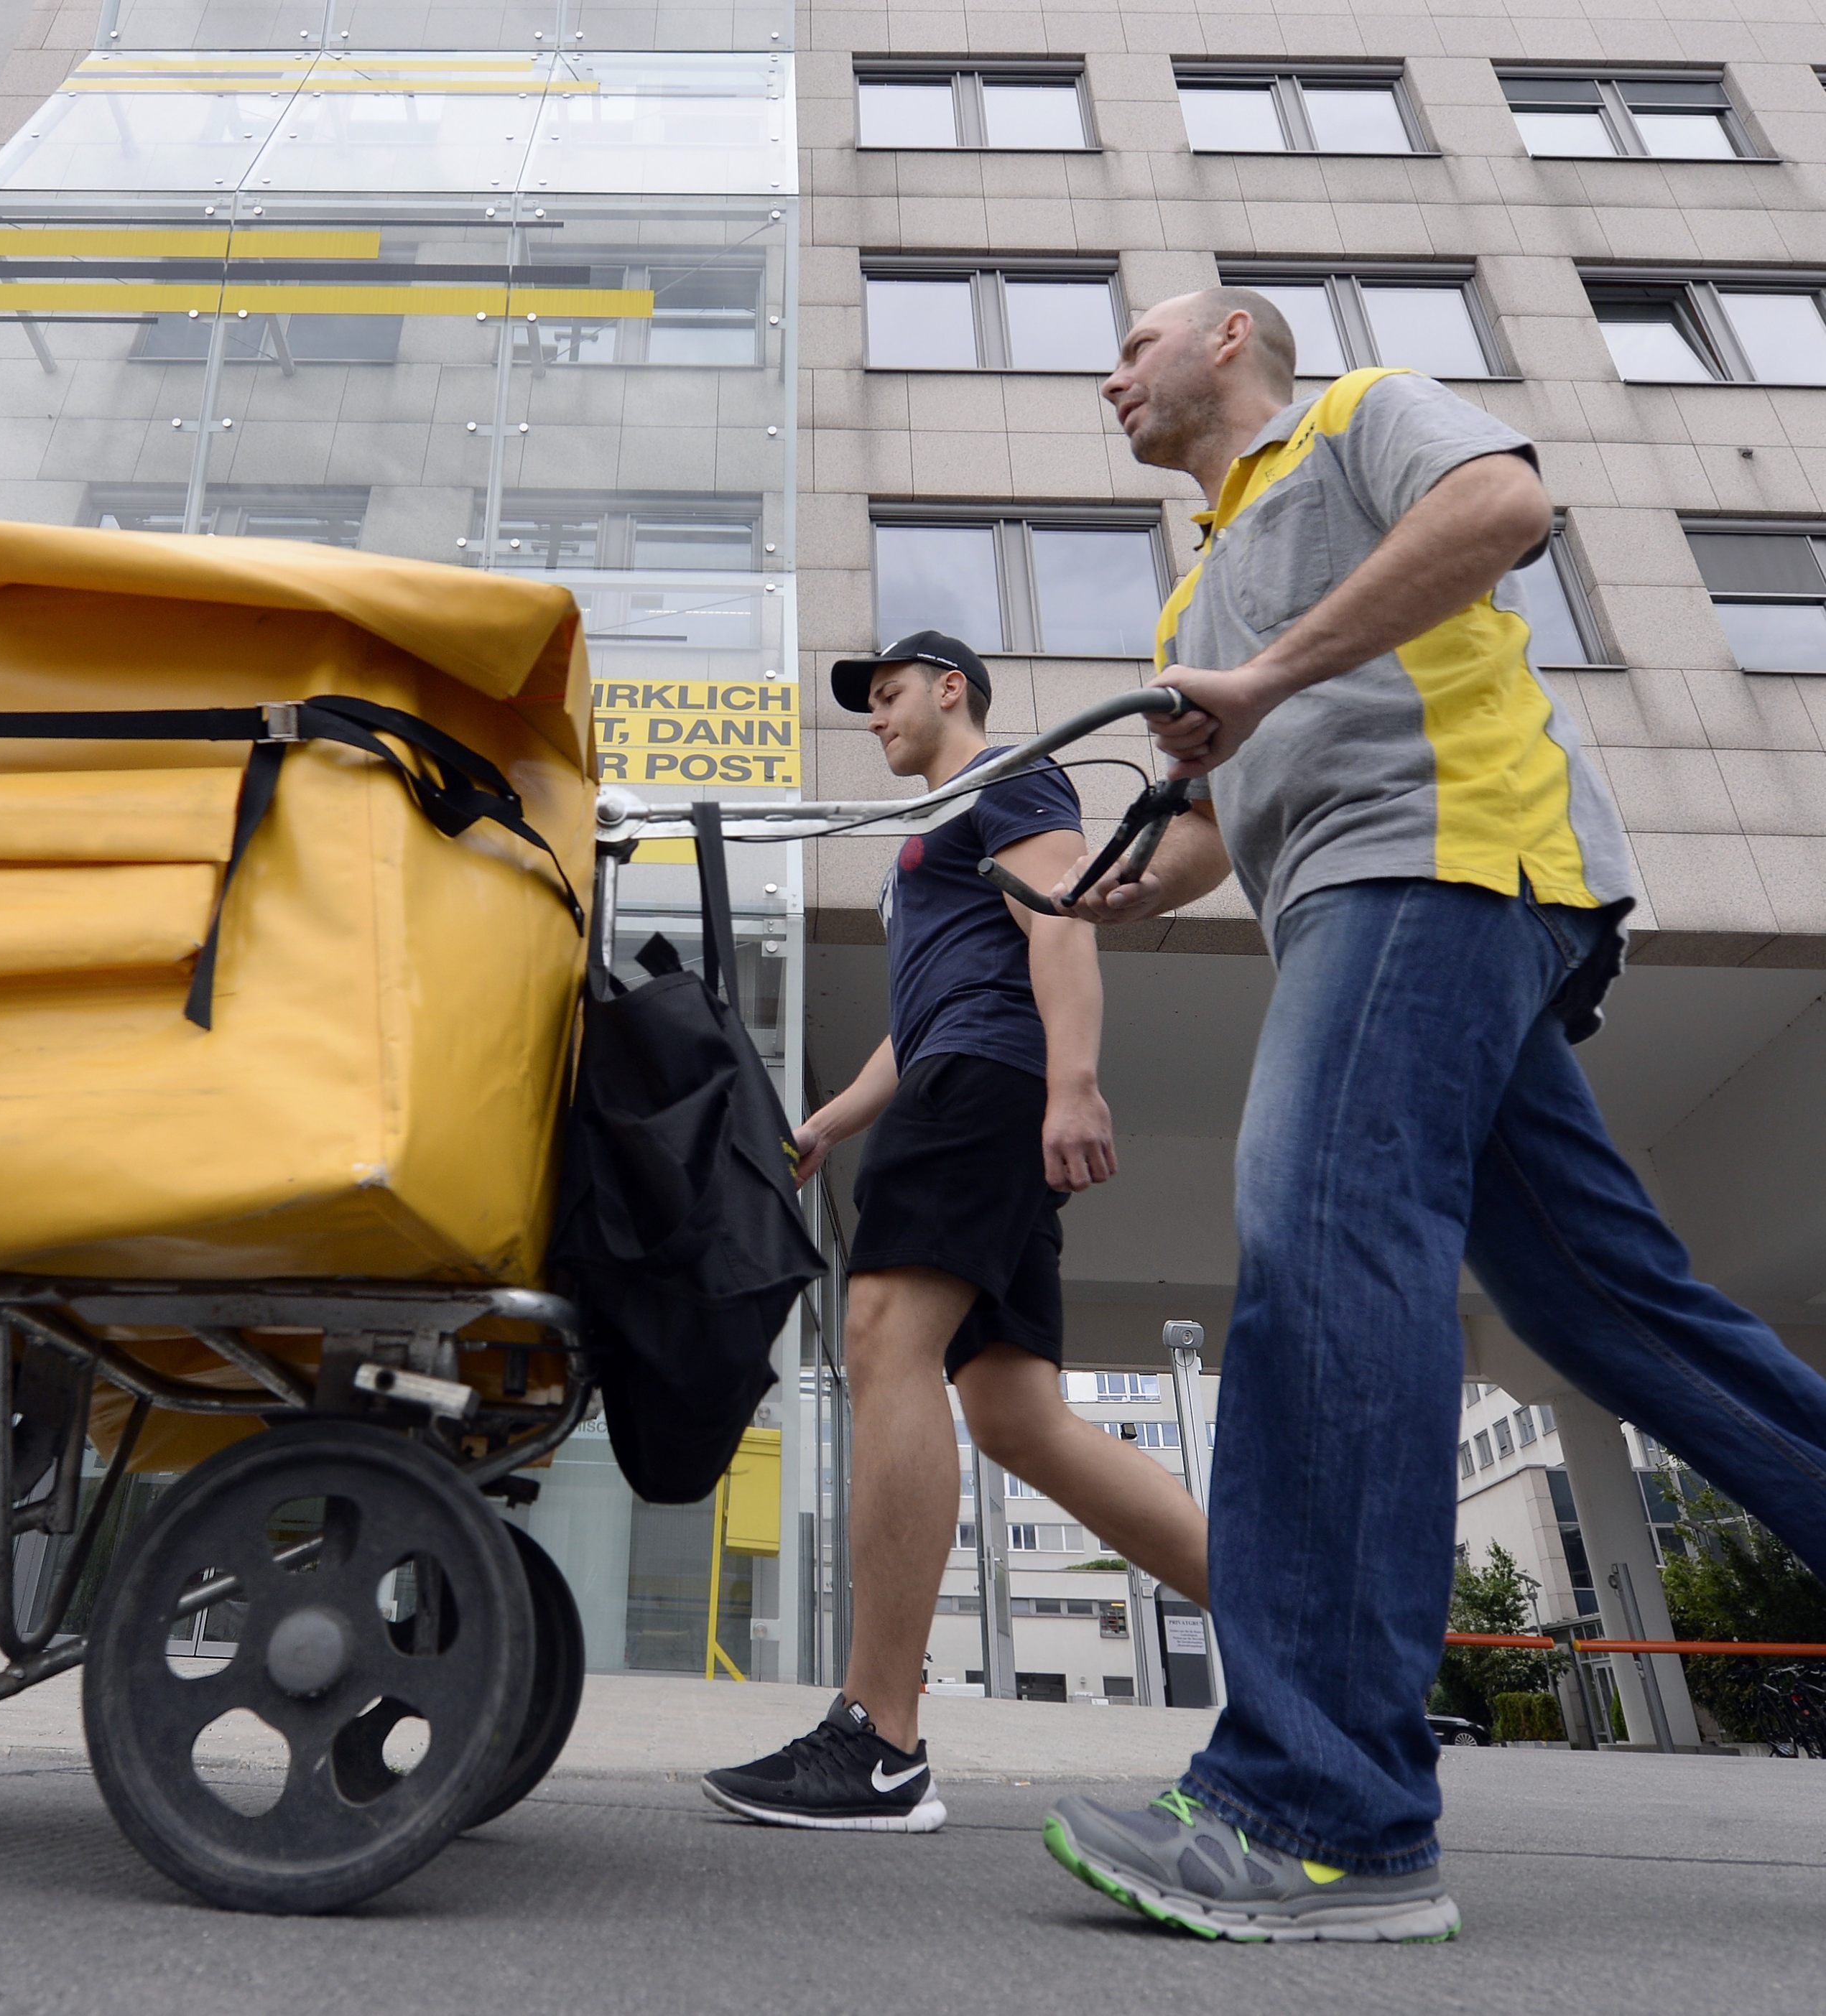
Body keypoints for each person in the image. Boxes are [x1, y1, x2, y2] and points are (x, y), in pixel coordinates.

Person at [1038, 287, 1826, 1941]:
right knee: (1616, 1311)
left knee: (1322, 1232)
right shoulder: (1197, 577)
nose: (1107, 376)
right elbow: (1220, 818)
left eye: (1132, 346)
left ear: (1233, 338)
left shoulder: (1365, 414)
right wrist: (1133, 882)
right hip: (1360, 895)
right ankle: (1322, 1799)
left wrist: (1253, 680)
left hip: (1451, 864)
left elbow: (1505, 511)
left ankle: (1323, 1817)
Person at [700, 629, 1213, 1833]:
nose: (872, 716)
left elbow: (1061, 918)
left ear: (951, 688)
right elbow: (916, 1016)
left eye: (887, 695)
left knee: (884, 1333)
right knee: (1015, 1415)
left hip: (987, 1079)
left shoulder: (1014, 775)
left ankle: (878, 1741)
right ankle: (1310, 1644)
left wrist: (1073, 1081)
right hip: (958, 1064)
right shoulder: (928, 841)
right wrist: (824, 1125)